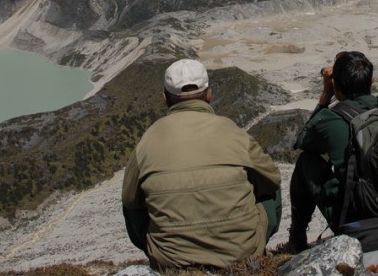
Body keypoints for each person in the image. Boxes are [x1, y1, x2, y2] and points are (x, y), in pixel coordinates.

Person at [121, 58, 282, 271]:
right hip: (241, 255)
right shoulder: (232, 131)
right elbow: (272, 178)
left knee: (131, 202)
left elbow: (130, 200)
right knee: (270, 187)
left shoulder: (148, 139)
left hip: (170, 261)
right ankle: (257, 249)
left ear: (165, 99)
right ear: (209, 94)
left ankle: (161, 252)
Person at [287, 50, 378, 251]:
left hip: (360, 221)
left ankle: (296, 238)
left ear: (336, 86)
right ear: (371, 80)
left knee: (306, 160)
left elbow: (303, 141)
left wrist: (325, 97)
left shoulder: (332, 120)